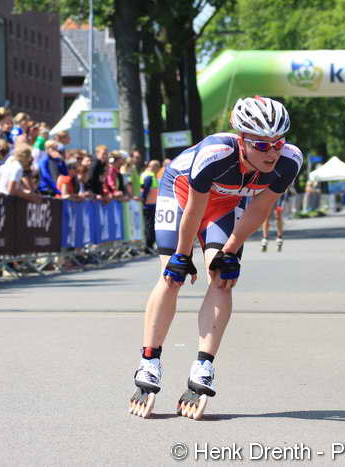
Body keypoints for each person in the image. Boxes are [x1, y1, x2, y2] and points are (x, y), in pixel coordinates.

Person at [129, 96, 302, 419]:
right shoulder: (215, 154)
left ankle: (203, 367)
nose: (272, 152)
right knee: (172, 276)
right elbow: (193, 210)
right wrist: (182, 255)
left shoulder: (290, 160)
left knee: (223, 278)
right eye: (261, 146)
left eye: (277, 143)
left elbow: (261, 208)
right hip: (180, 195)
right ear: (241, 140)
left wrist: (230, 250)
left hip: (226, 204)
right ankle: (149, 362)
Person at [140, 160, 160, 252]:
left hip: (150, 204)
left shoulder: (147, 174)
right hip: (149, 205)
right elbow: (145, 190)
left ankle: (150, 245)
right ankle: (148, 245)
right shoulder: (149, 176)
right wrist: (144, 201)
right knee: (150, 226)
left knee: (150, 225)